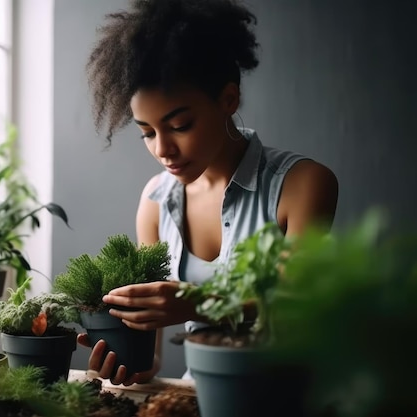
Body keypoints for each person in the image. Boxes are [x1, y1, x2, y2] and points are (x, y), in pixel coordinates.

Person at [77, 0, 339, 385]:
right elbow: (152, 361)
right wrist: (126, 357)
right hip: (197, 398)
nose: (162, 149)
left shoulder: (303, 185)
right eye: (147, 132)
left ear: (228, 100)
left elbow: (297, 312)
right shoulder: (155, 203)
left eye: (179, 125)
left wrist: (198, 303)